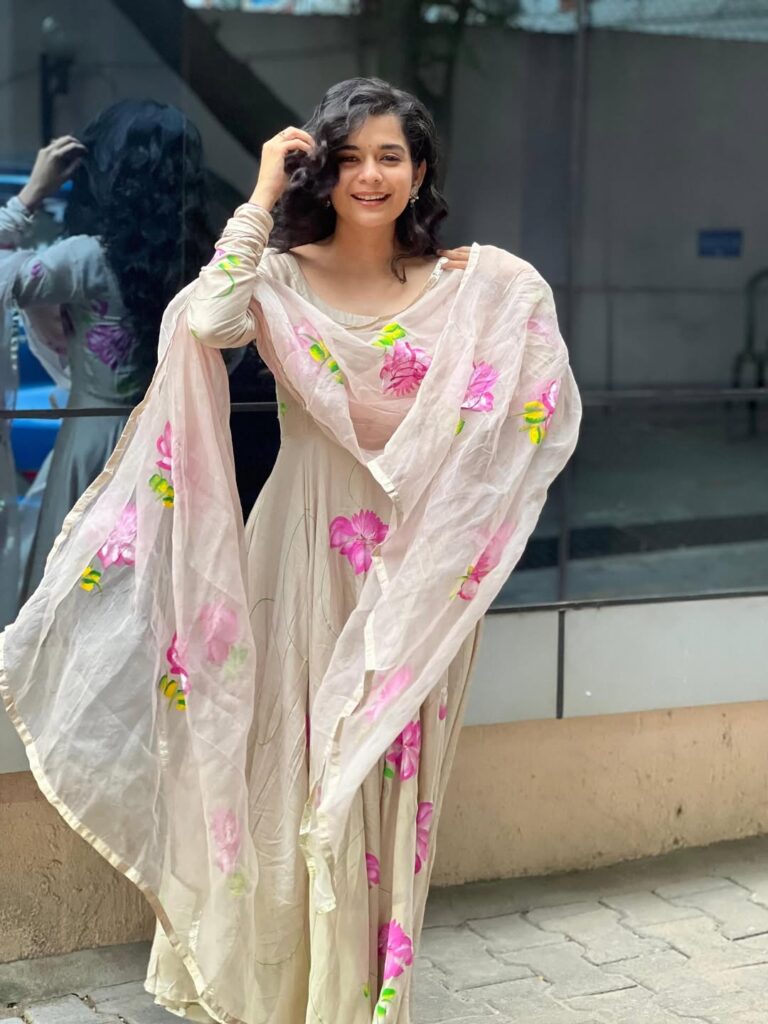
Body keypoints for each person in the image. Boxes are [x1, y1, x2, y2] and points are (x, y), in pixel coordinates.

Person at [0, 79, 581, 1024]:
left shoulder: (472, 290)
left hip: (415, 574)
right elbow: (206, 321)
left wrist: (454, 539)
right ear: (320, 172)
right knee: (286, 772)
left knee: (382, 787)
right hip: (300, 552)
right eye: (347, 158)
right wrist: (265, 192)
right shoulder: (277, 278)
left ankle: (358, 998)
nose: (369, 176)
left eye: (390, 156)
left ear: (420, 170)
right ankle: (278, 993)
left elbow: (527, 413)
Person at [0, 100, 212, 608]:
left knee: (75, 601)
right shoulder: (203, 260)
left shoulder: (86, 259)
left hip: (92, 443)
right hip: (175, 445)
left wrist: (30, 196)